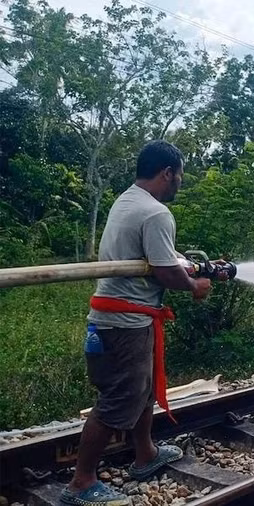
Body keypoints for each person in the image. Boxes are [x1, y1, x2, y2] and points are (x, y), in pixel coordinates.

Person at [62, 140, 216, 506]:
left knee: (142, 390)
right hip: (124, 324)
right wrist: (195, 285)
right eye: (179, 175)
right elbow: (165, 272)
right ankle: (81, 483)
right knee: (118, 401)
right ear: (167, 173)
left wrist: (183, 262)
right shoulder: (157, 213)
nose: (180, 181)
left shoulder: (127, 200)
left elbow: (157, 256)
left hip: (122, 319)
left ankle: (145, 454)